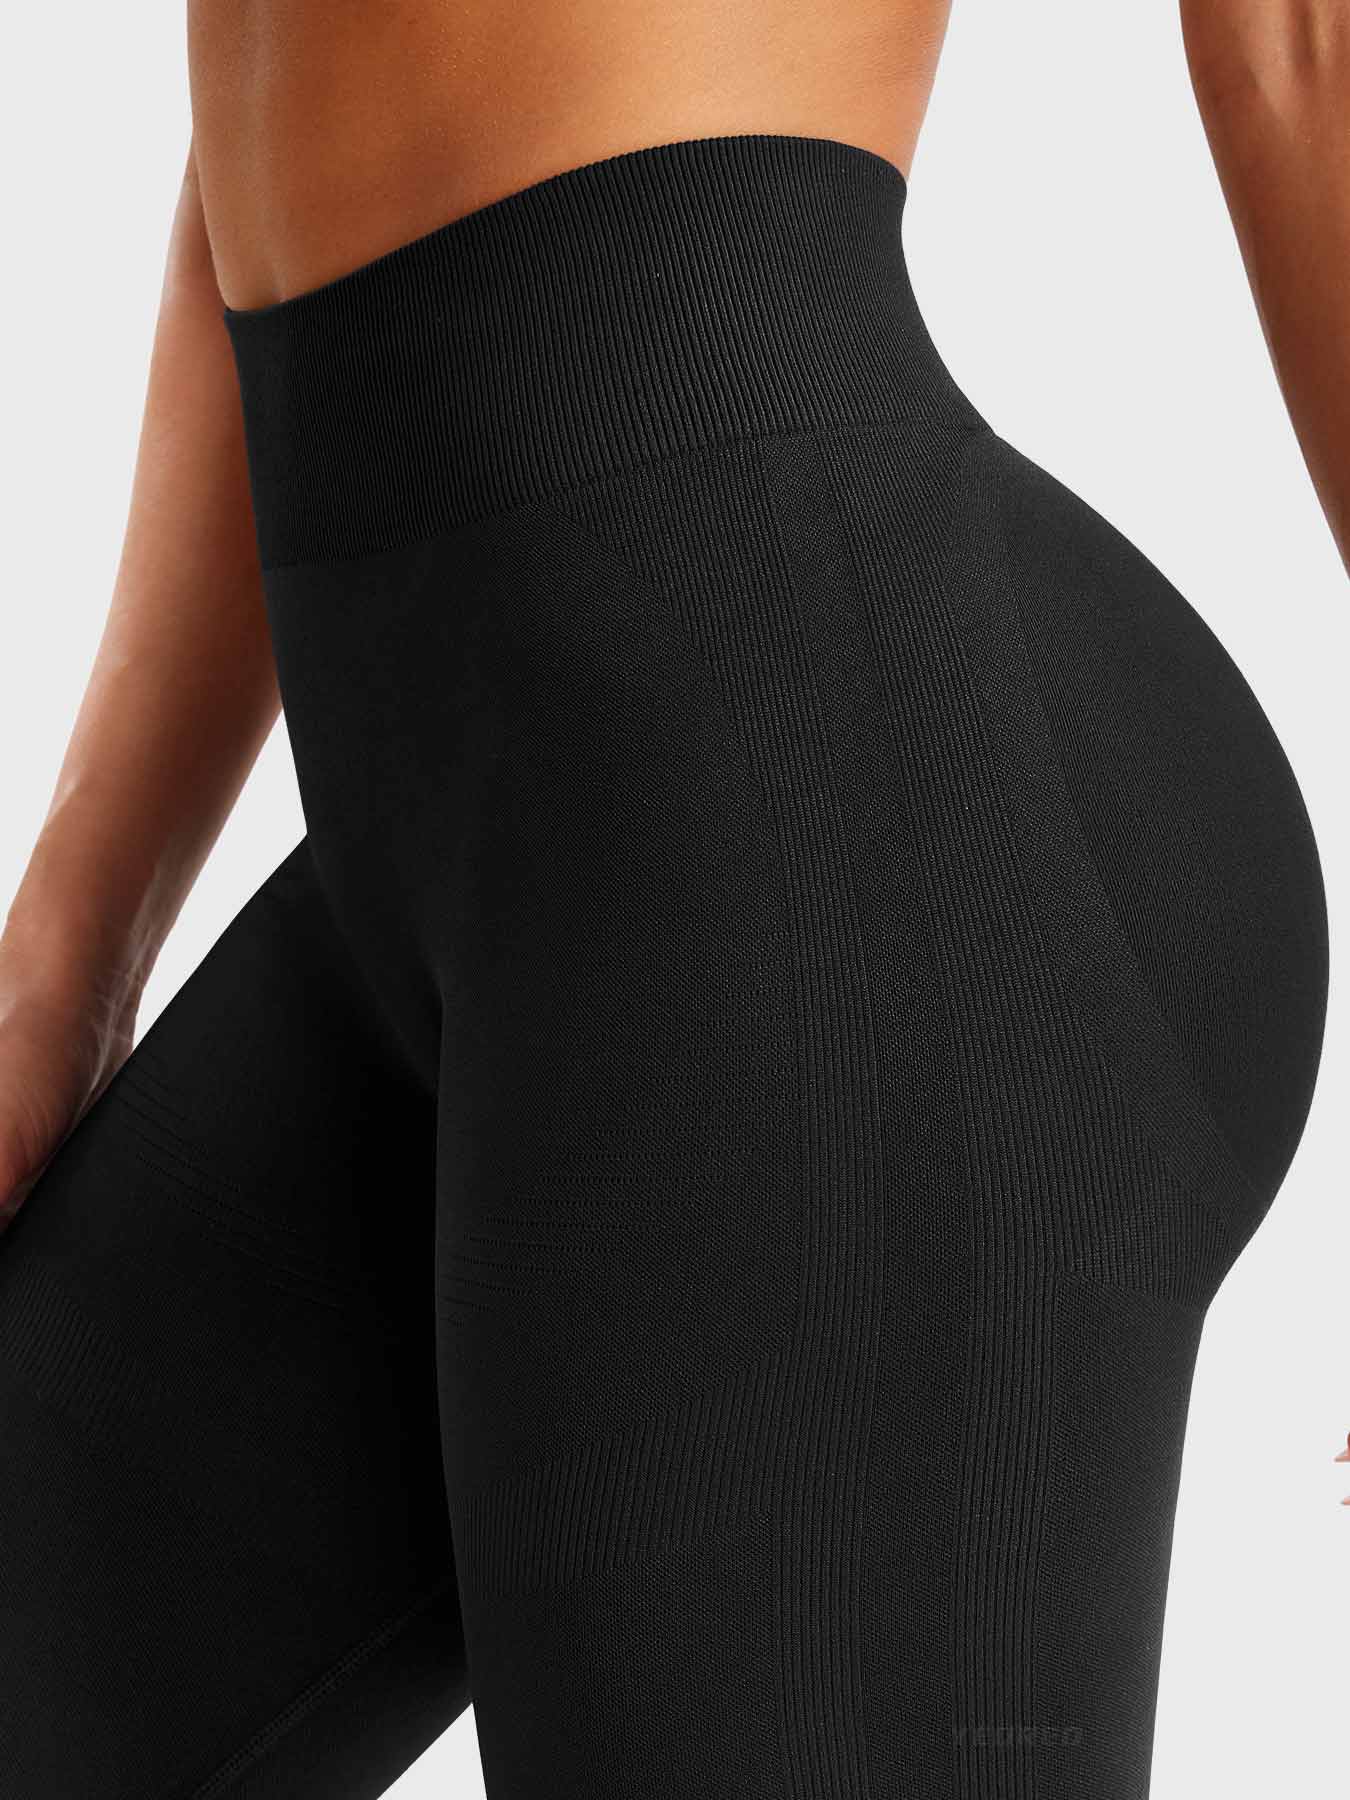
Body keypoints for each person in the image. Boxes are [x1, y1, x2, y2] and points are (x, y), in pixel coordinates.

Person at [0, 3, 1341, 1796]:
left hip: (842, 821)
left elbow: (1297, 53)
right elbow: (271, 114)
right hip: (497, 839)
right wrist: (70, 955)